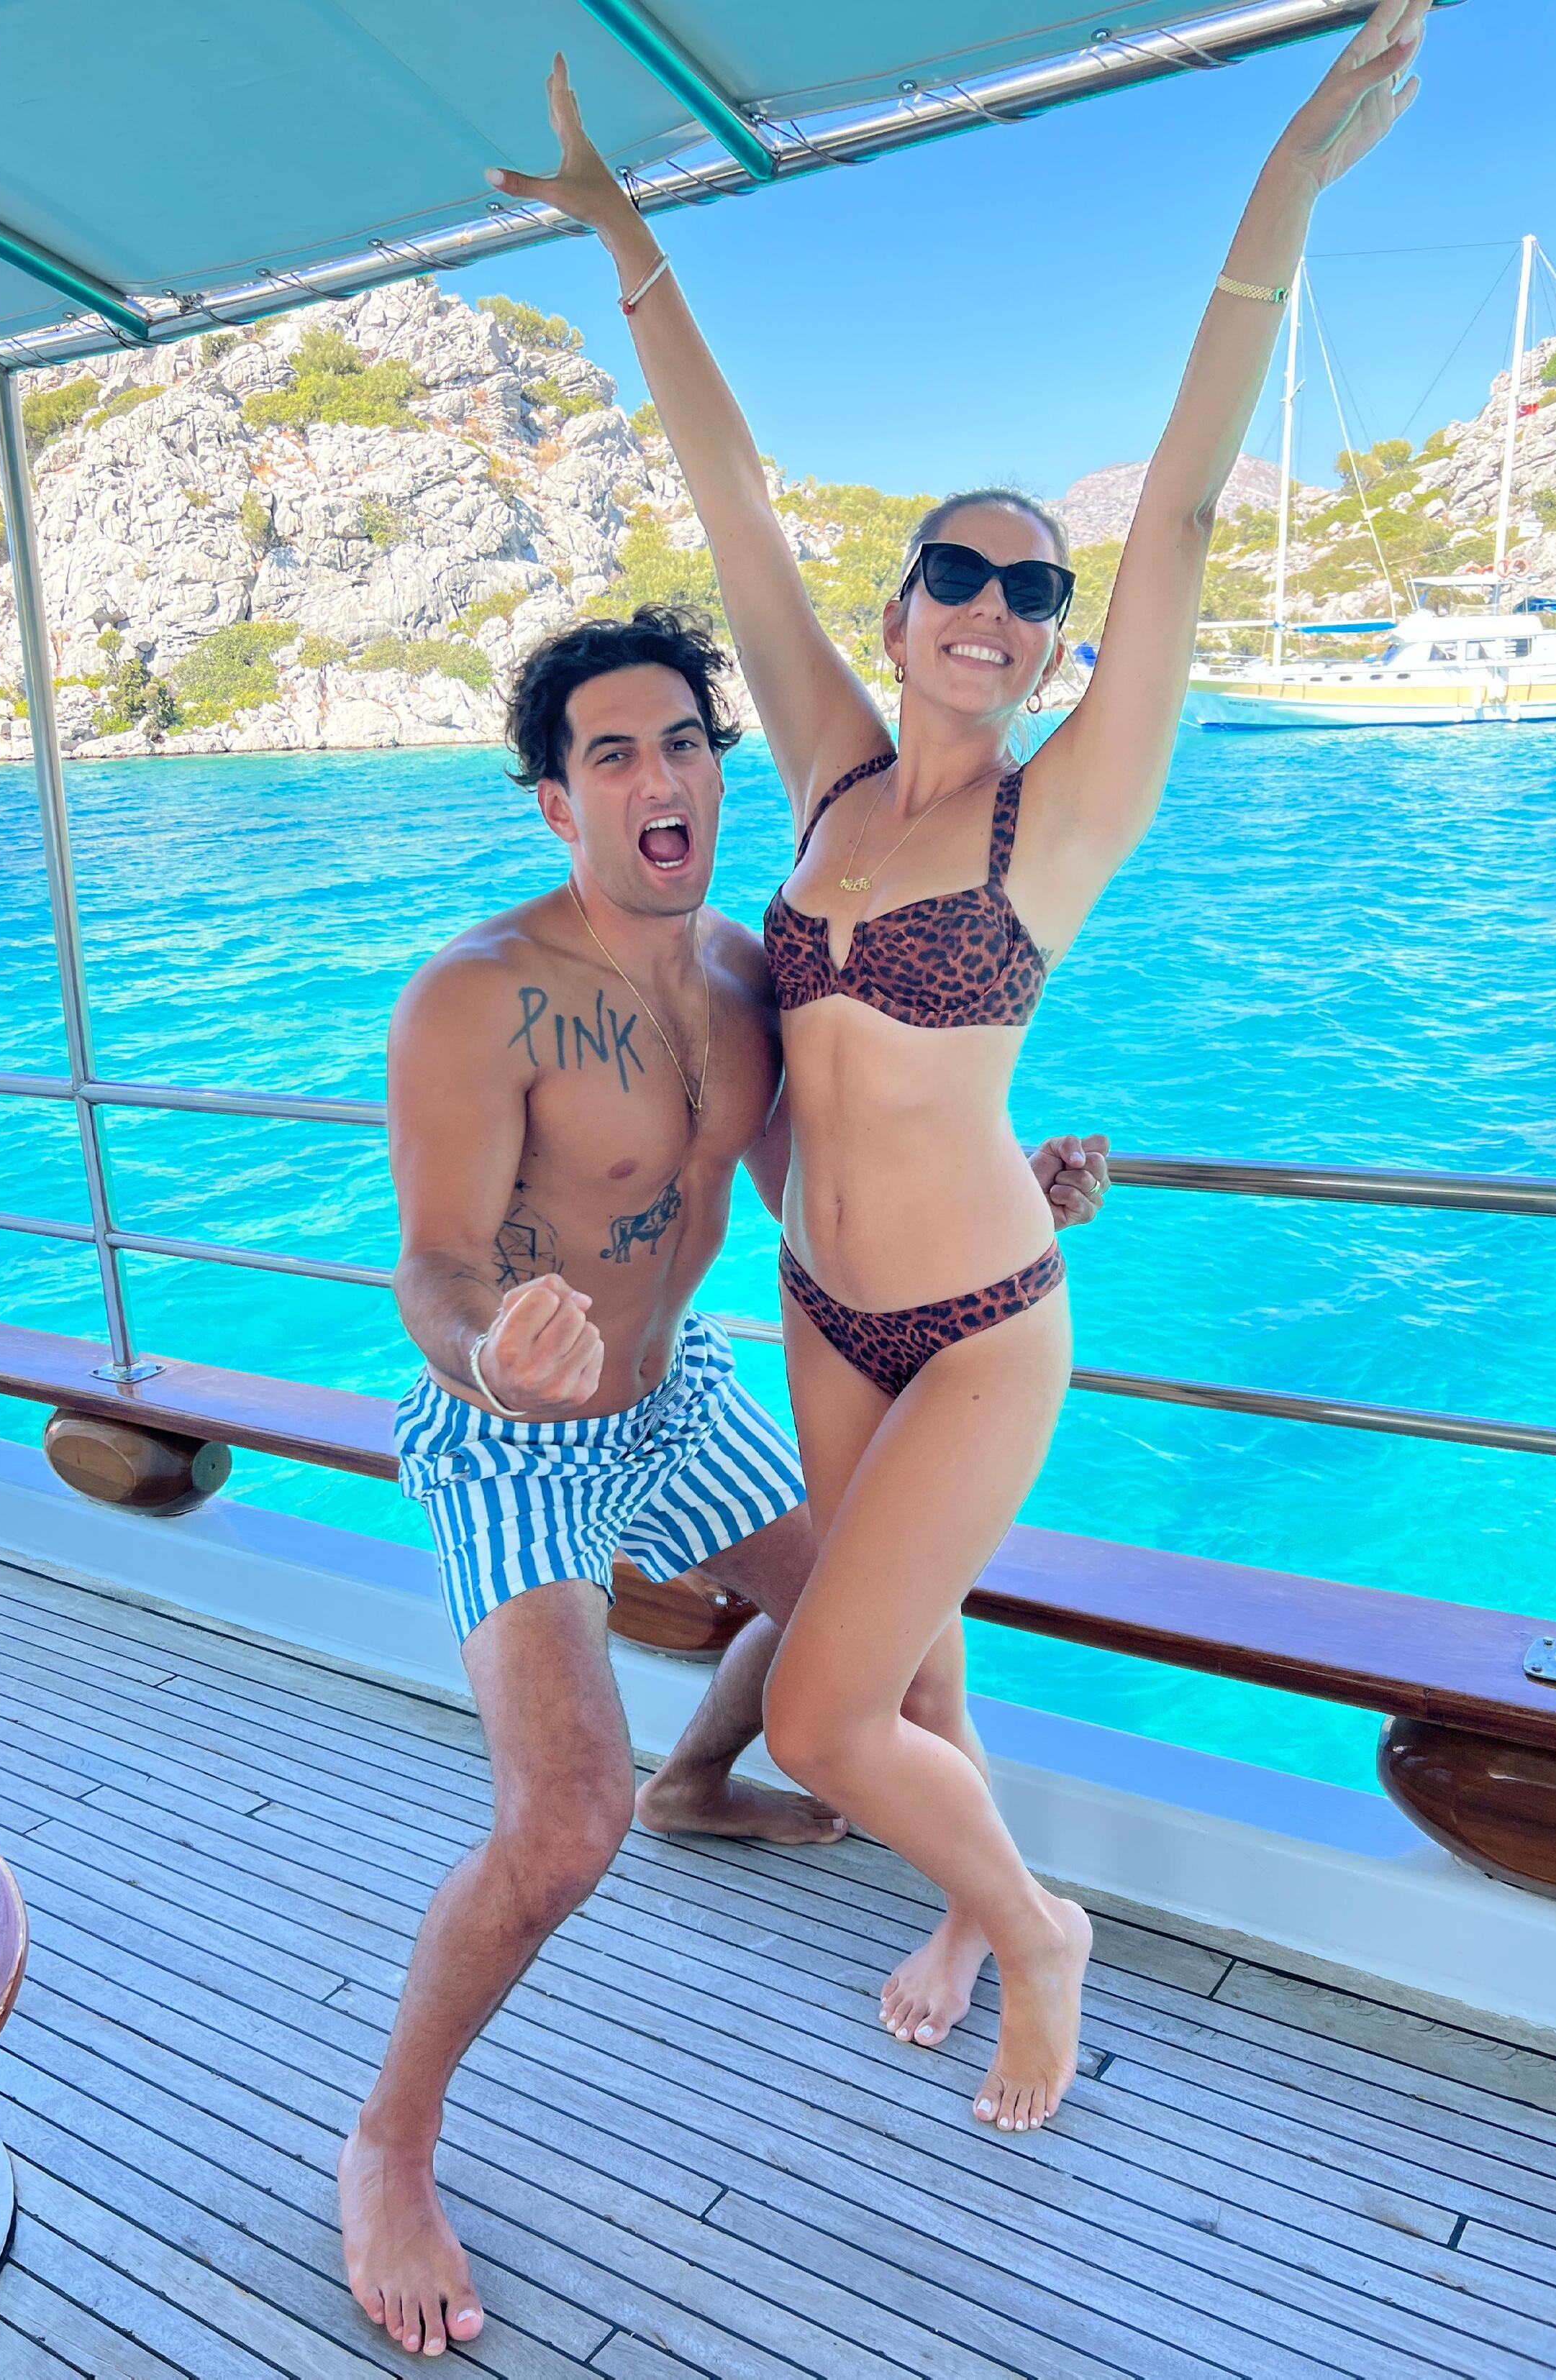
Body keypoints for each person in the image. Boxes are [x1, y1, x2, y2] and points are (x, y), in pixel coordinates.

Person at [491, 0, 1427, 2145]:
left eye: (1034, 587)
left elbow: (1183, 510)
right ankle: (956, 1908)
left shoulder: (1062, 808)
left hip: (985, 1316)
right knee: (914, 1669)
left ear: (1052, 635)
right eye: (961, 572)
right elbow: (727, 495)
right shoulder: (826, 768)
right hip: (823, 1305)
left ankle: (1039, 1928)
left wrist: (1280, 188)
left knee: (829, 1716)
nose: (996, 604)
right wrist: (626, 236)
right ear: (903, 605)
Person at [339, 603, 1111, 2356]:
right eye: (610, 753)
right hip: (514, 1426)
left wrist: (1012, 1190)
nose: (657, 777)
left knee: (897, 1641)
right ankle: (390, 2139)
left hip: (679, 1391)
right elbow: (433, 1261)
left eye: (681, 740)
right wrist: (493, 1353)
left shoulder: (757, 979)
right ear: (558, 800)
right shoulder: (476, 997)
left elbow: (826, 1187)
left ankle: (724, 1789)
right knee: (561, 1822)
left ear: (716, 765)